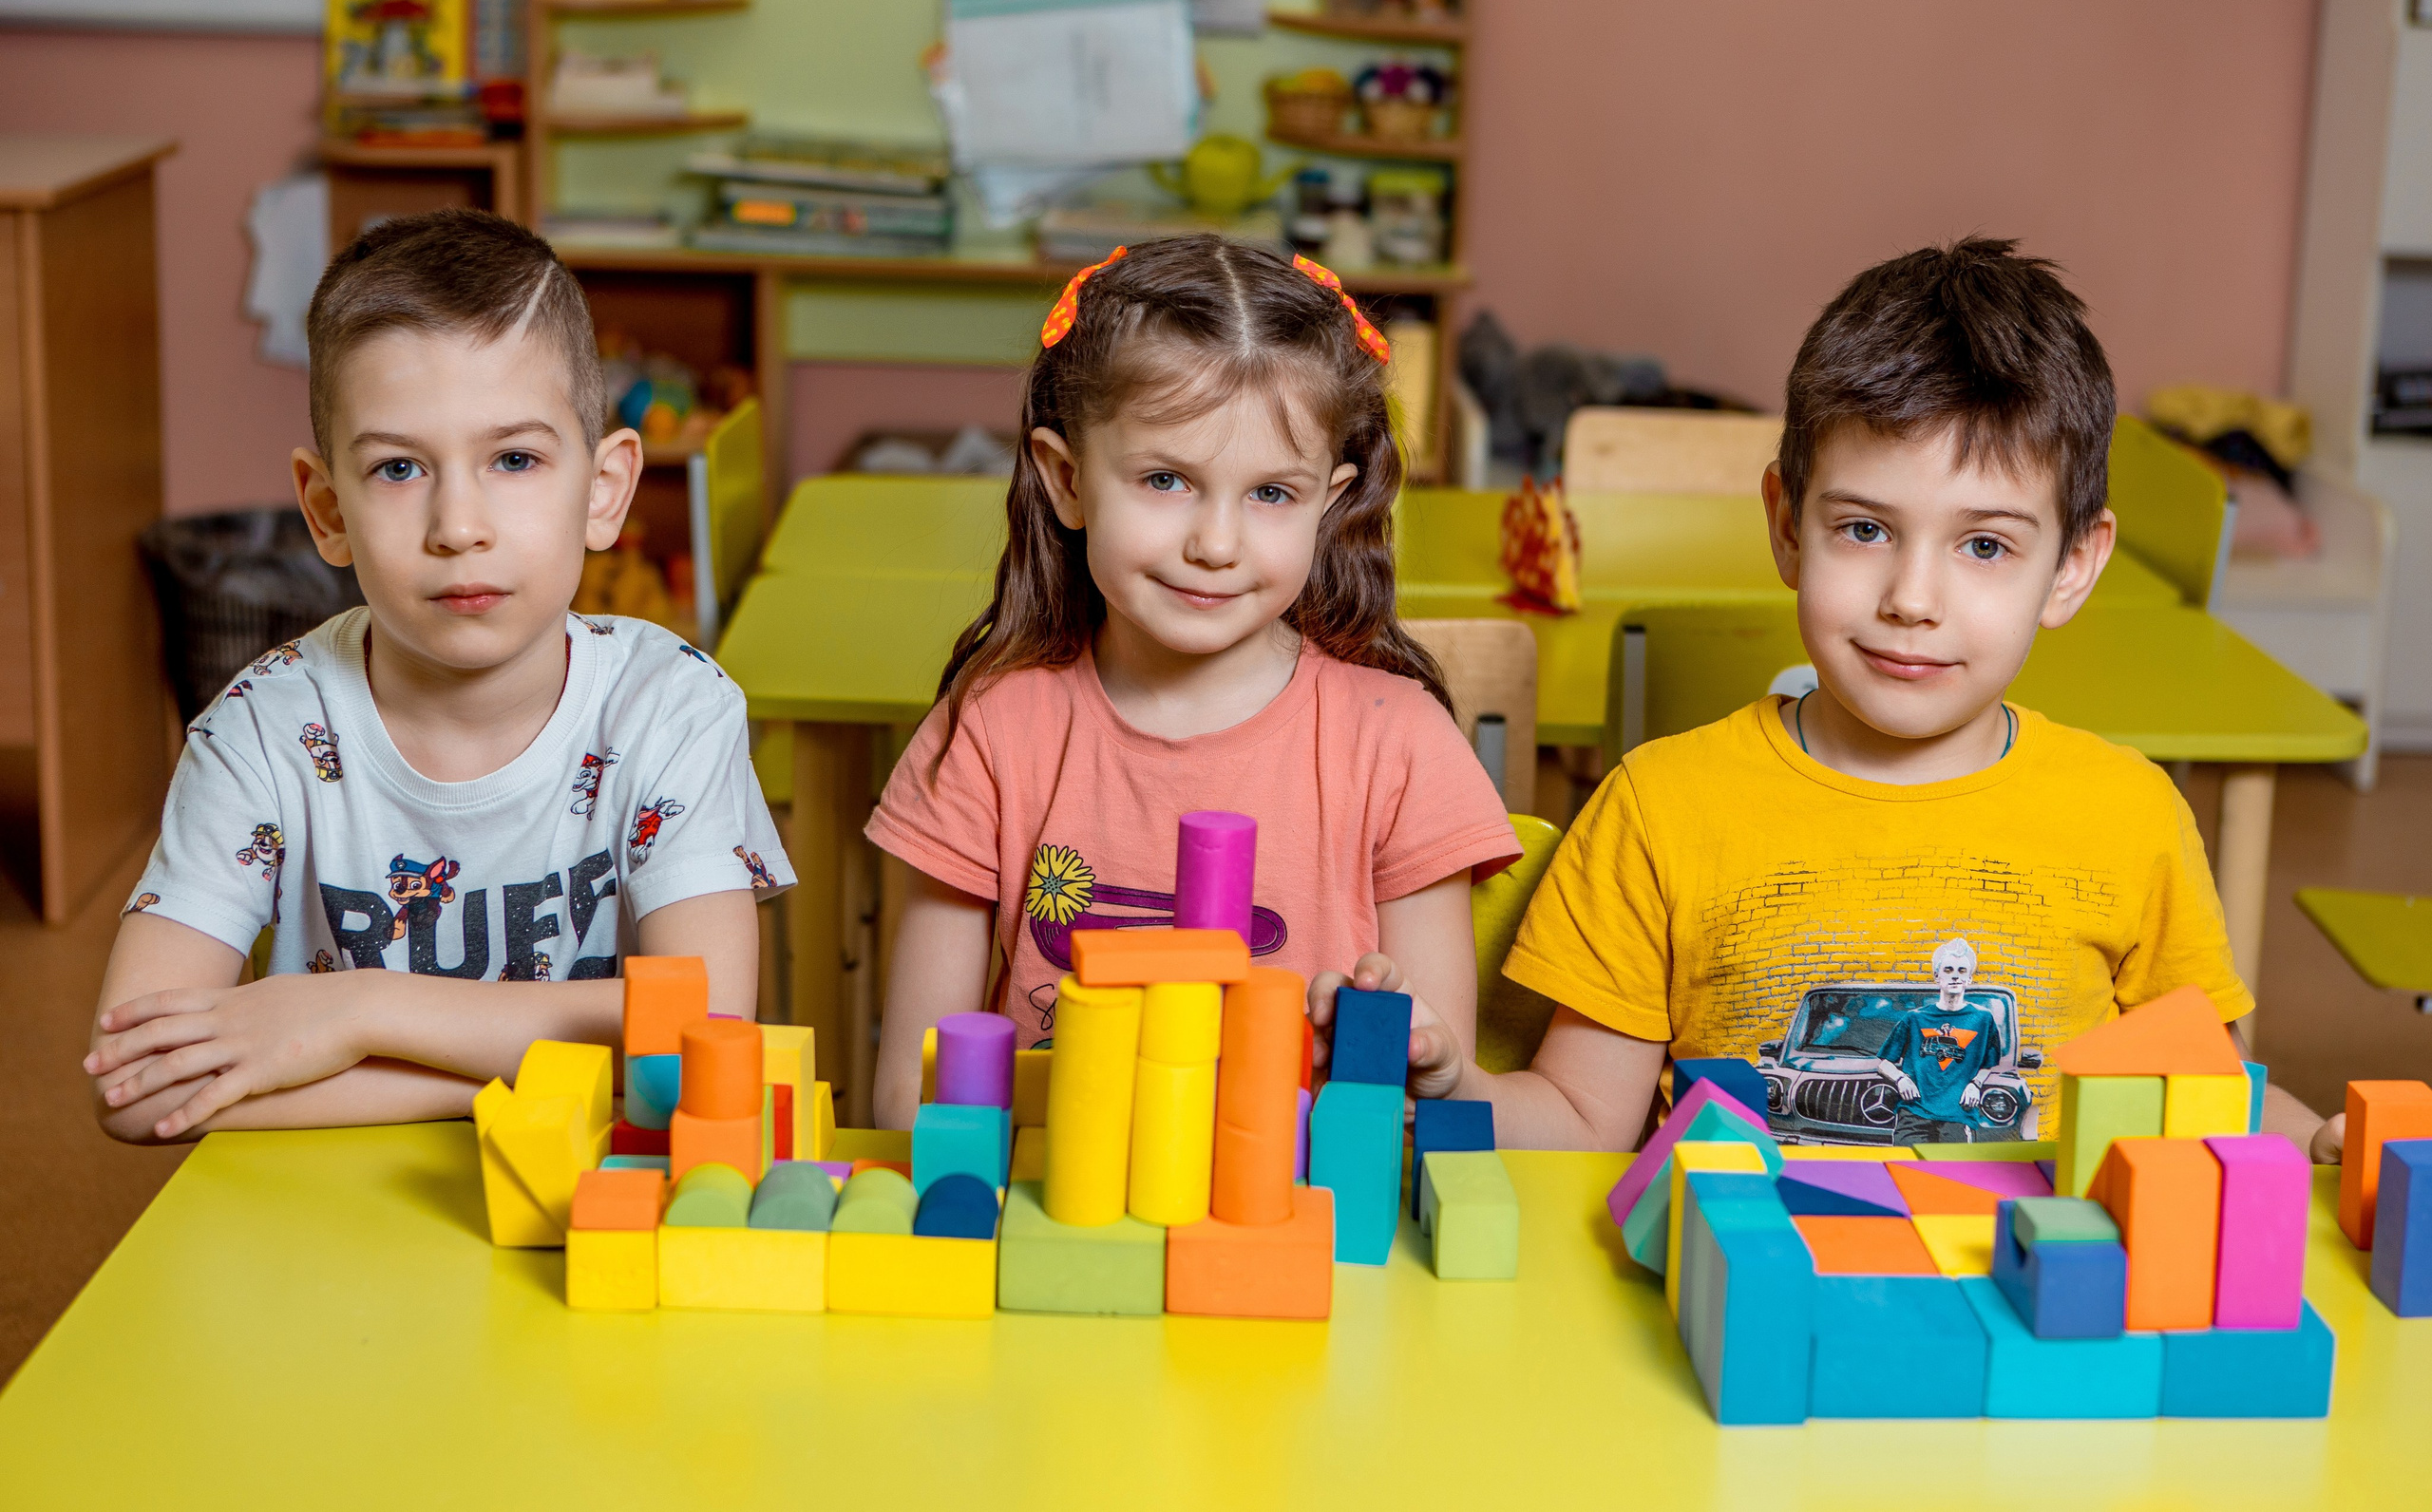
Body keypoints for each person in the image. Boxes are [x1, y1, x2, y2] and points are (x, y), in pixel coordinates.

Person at [1320, 237, 2338, 1159]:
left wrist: (2324, 1142)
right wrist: (1454, 1088)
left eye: (1985, 545)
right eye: (1864, 529)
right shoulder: (1658, 809)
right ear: (1785, 524)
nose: (1912, 599)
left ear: (2073, 565)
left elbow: (2215, 1097)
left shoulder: (2131, 818)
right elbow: (1583, 1119)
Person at [86, 210, 789, 1143]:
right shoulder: (258, 729)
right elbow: (137, 1088)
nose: (459, 525)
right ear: (327, 510)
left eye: (514, 458)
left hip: (589, 1210)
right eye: (398, 469)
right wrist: (537, 1075)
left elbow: (706, 1039)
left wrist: (357, 1014)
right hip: (326, 1213)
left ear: (605, 489)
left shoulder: (671, 707)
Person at [864, 236, 1519, 1129]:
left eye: (1271, 494)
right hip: (1059, 1195)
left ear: (1329, 502)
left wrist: (1394, 1056)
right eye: (1166, 479)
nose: (1215, 543)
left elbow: (1433, 1093)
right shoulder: (988, 730)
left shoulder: (1401, 745)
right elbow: (911, 1099)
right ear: (1067, 480)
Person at [1872, 938, 2014, 1145]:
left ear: (1969, 978)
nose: (1955, 976)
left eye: (1961, 971)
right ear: (1937, 976)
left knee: (1953, 1165)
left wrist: (1976, 1084)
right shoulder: (1915, 1018)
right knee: (1906, 1163)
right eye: (1948, 970)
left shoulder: (1983, 1019)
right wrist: (1900, 1079)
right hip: (1914, 1112)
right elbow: (1884, 1063)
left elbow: (1988, 1063)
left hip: (1958, 1115)